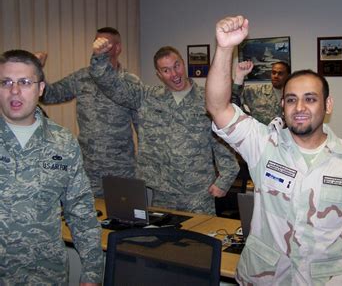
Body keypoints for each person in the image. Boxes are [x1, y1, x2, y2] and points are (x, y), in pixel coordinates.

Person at [206, 16, 342, 285]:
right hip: (266, 278)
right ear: (283, 106)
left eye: (310, 99)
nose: (299, 108)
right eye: (291, 100)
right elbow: (218, 108)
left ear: (328, 105)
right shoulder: (264, 145)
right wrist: (224, 48)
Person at [88, 42, 239, 215]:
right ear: (159, 74)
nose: (174, 74)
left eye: (177, 66)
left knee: (200, 240)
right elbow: (112, 86)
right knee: (163, 240)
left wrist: (225, 180)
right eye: (166, 70)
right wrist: (99, 58)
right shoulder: (146, 97)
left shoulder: (206, 100)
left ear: (183, 63)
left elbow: (222, 140)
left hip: (197, 191)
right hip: (163, 192)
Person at [0, 50, 103, 284]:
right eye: (6, 82)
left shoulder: (62, 142)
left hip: (46, 275)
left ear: (41, 89)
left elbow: (81, 210)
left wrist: (92, 272)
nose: (14, 91)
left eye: (25, 82)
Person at [39, 27, 139, 197]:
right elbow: (49, 95)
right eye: (96, 42)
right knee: (89, 218)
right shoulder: (82, 78)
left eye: (105, 44)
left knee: (125, 219)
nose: (99, 47)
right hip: (89, 168)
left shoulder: (130, 81)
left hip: (121, 168)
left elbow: (141, 125)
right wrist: (37, 71)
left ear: (117, 48)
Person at [232, 60, 290, 124]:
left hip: (284, 133)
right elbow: (234, 98)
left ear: (288, 75)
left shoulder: (293, 95)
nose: (276, 76)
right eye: (273, 72)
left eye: (280, 73)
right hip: (259, 132)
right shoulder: (255, 91)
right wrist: (239, 77)